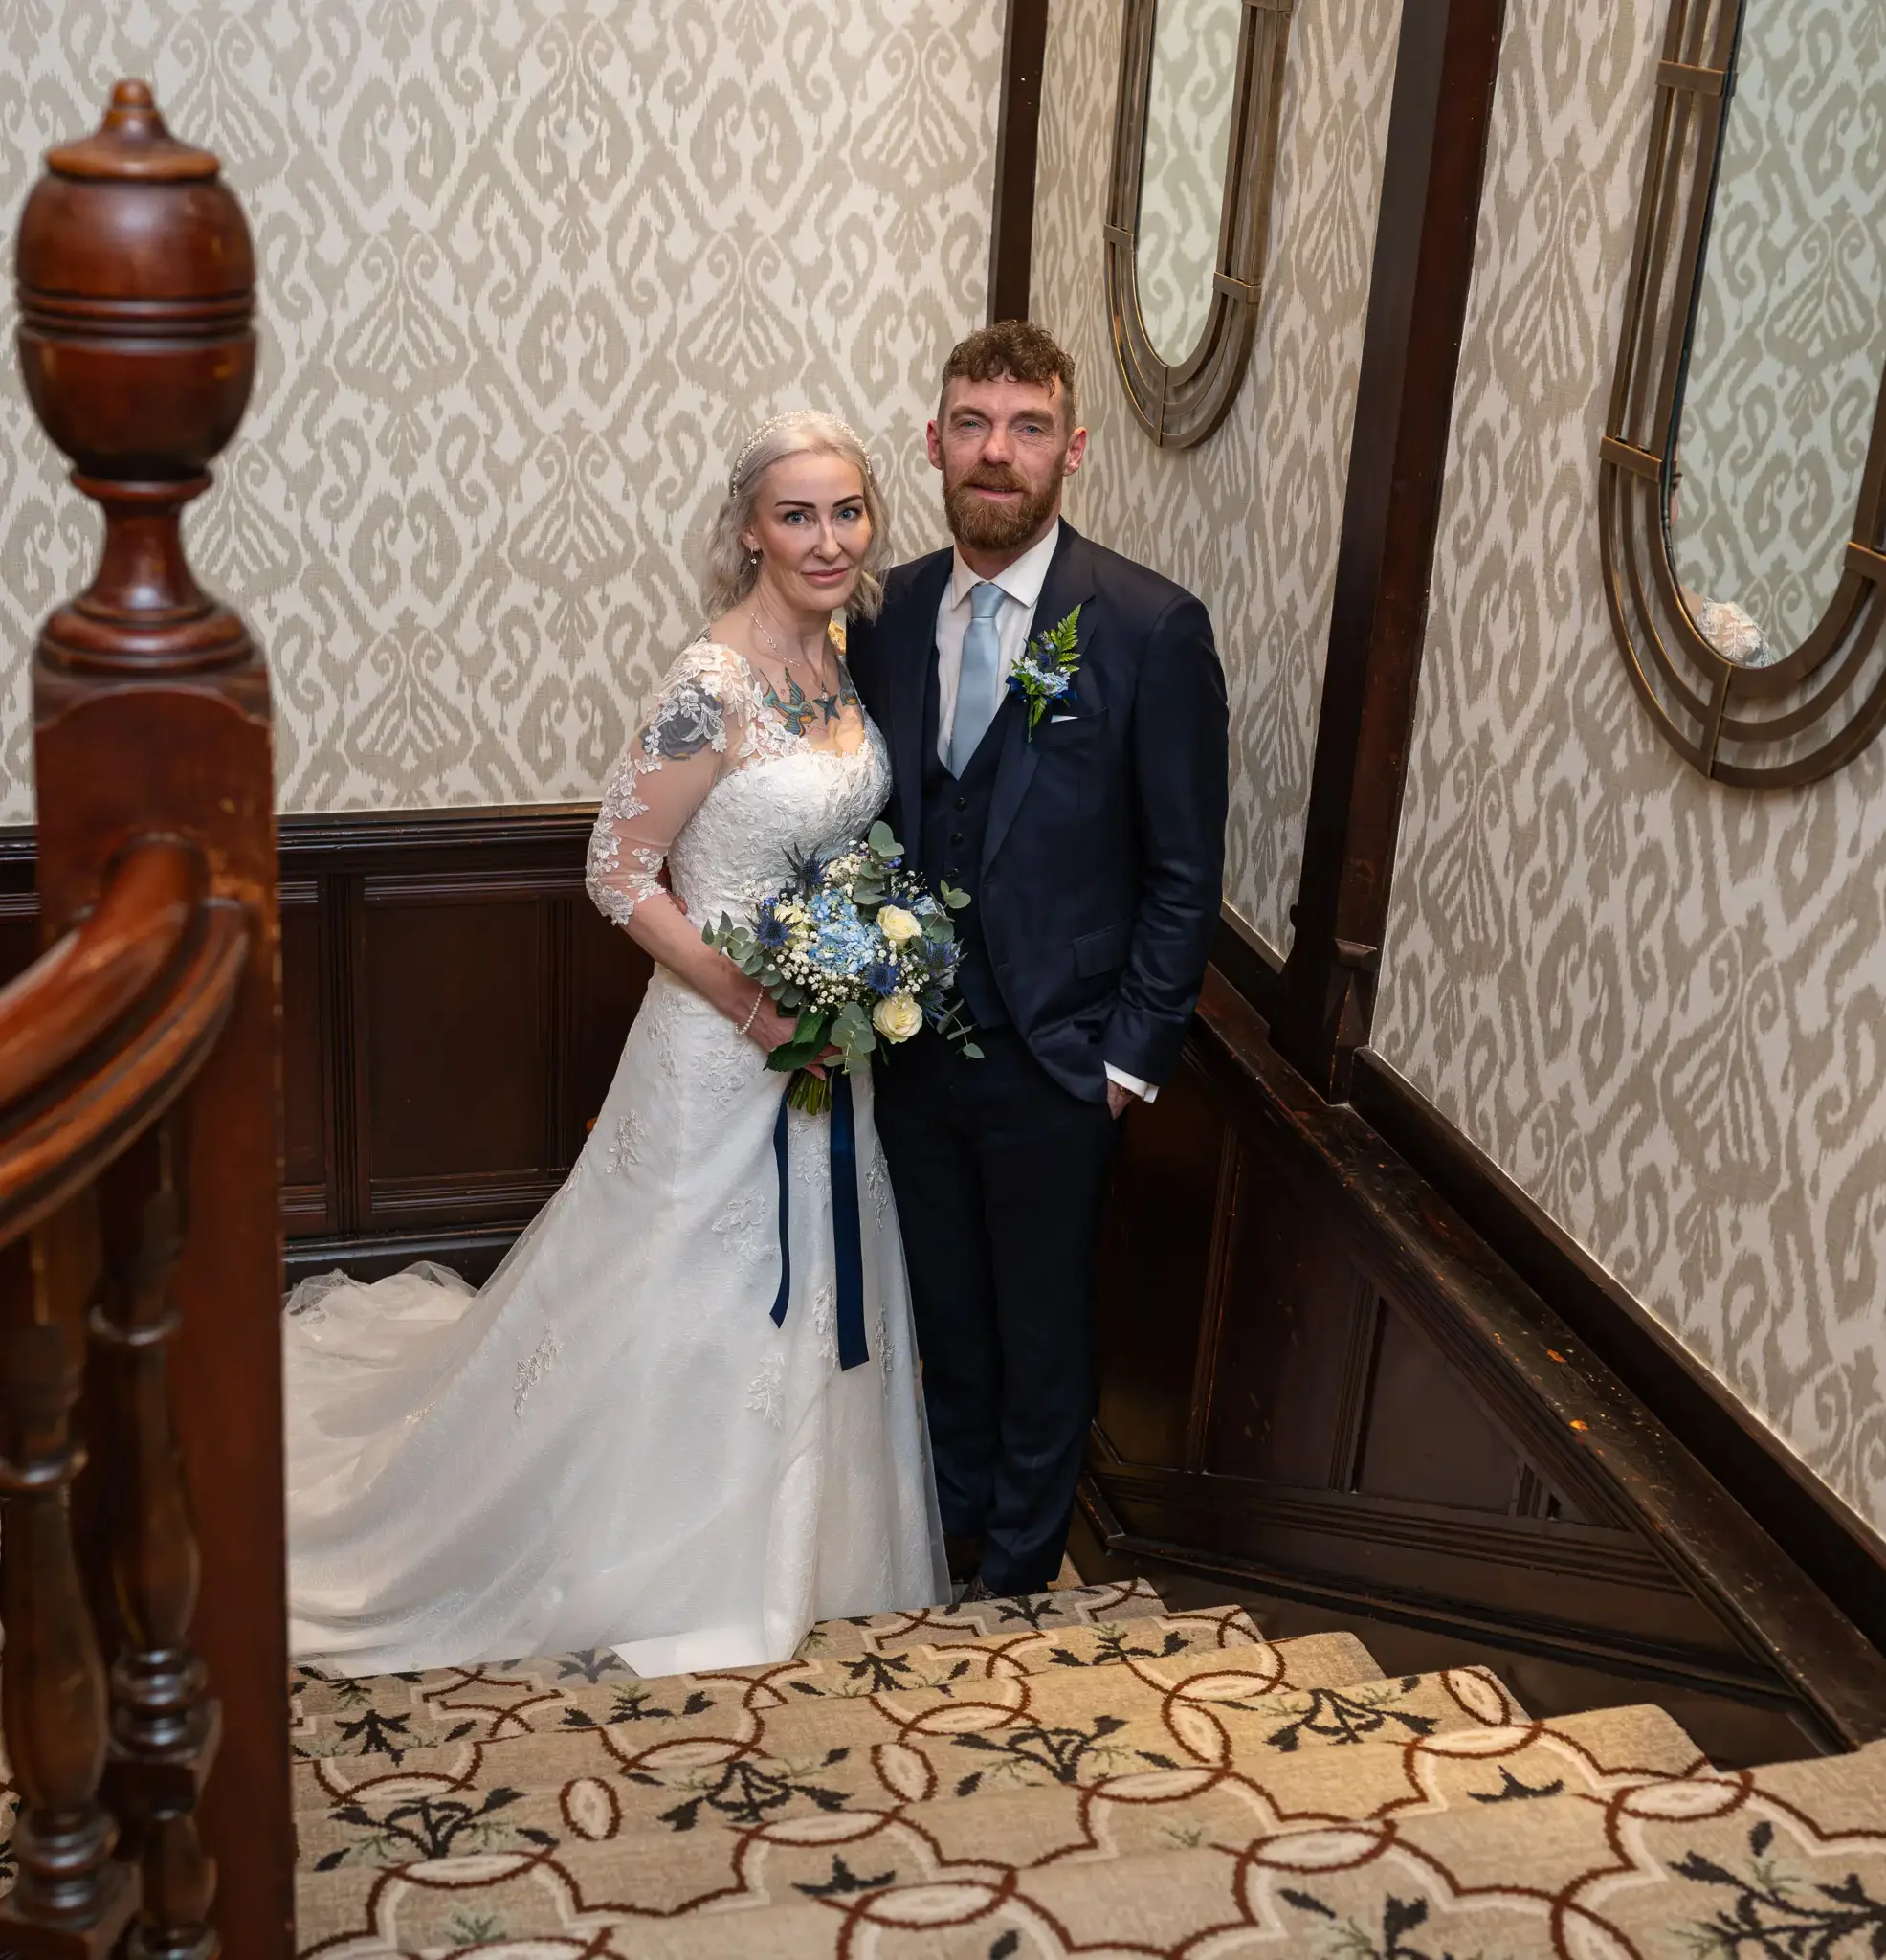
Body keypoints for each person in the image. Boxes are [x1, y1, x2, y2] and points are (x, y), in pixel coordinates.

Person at [283, 412, 947, 1677]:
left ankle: (813, 1555)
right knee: (682, 1295)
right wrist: (756, 1006)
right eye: (796, 514)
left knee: (816, 1294)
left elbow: (848, 844)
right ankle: (656, 1558)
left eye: (846, 511)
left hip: (831, 1044)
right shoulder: (712, 684)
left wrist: (865, 960)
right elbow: (618, 870)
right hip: (715, 1054)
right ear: (747, 528)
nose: (825, 539)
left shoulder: (847, 656)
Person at [847, 322, 1229, 1603]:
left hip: (1061, 1058)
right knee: (946, 1322)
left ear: (1070, 450)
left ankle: (1016, 1579)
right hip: (913, 1050)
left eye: (1022, 429)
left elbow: (1183, 870)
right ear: (934, 443)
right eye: (970, 424)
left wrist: (1130, 1058)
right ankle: (946, 1543)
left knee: (1041, 1334)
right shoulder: (888, 613)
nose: (993, 454)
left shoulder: (1146, 627)